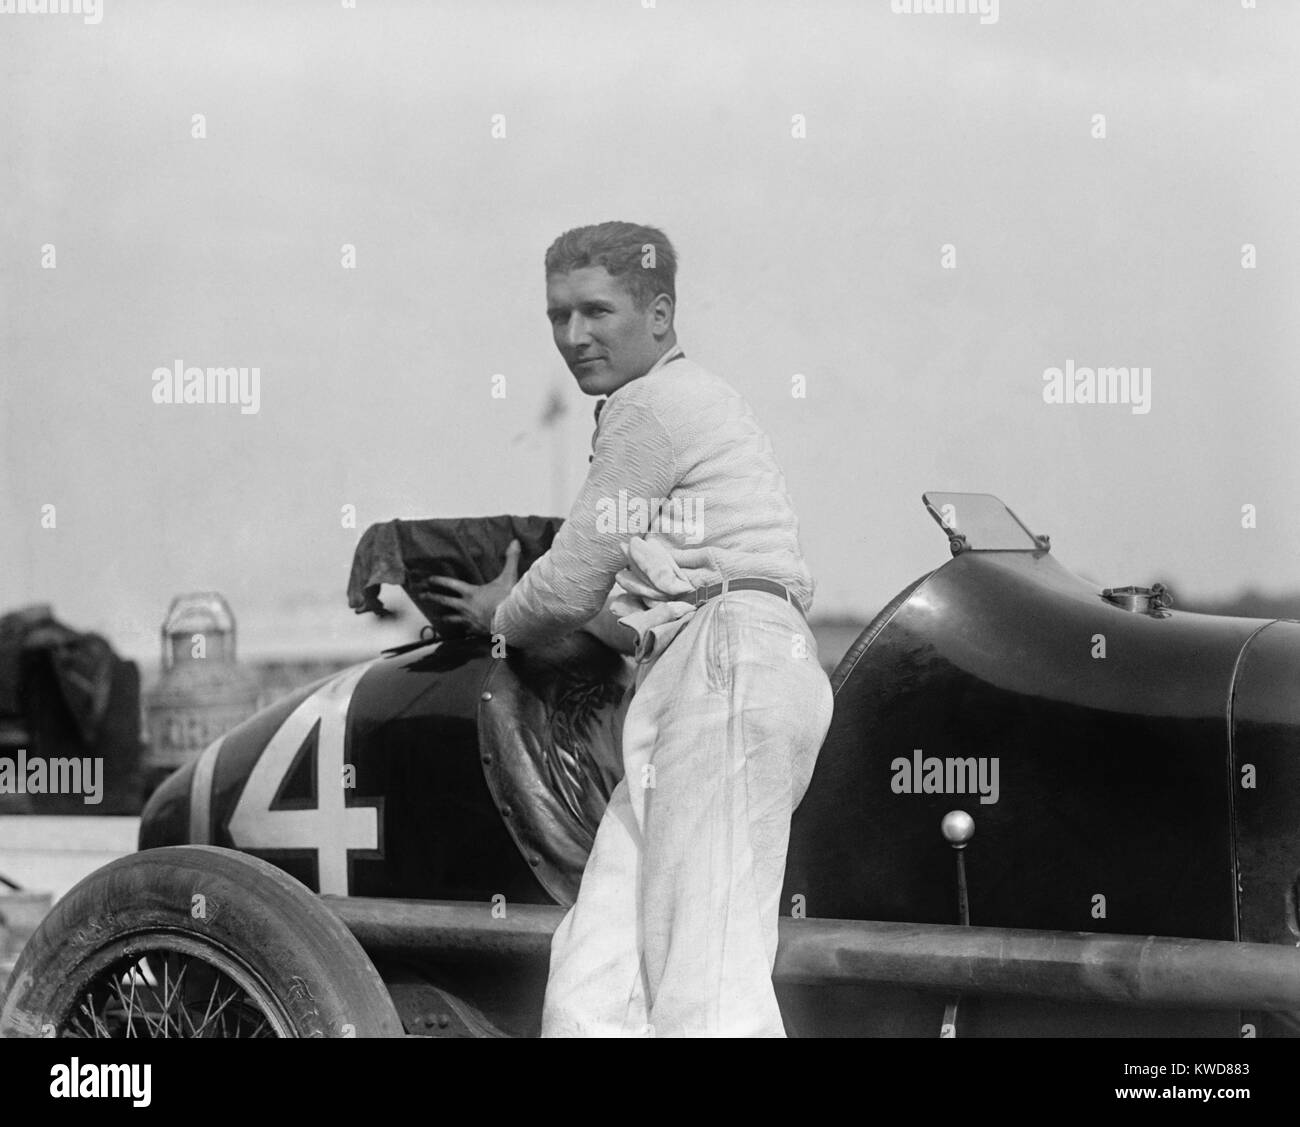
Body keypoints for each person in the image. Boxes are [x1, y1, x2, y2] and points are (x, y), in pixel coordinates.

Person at [428, 221, 833, 1037]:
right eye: (557, 315)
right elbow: (628, 611)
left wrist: (496, 613)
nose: (573, 336)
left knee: (706, 980)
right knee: (597, 972)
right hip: (701, 666)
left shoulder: (653, 407)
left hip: (733, 665)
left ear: (659, 314)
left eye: (596, 311)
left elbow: (572, 580)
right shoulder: (675, 405)